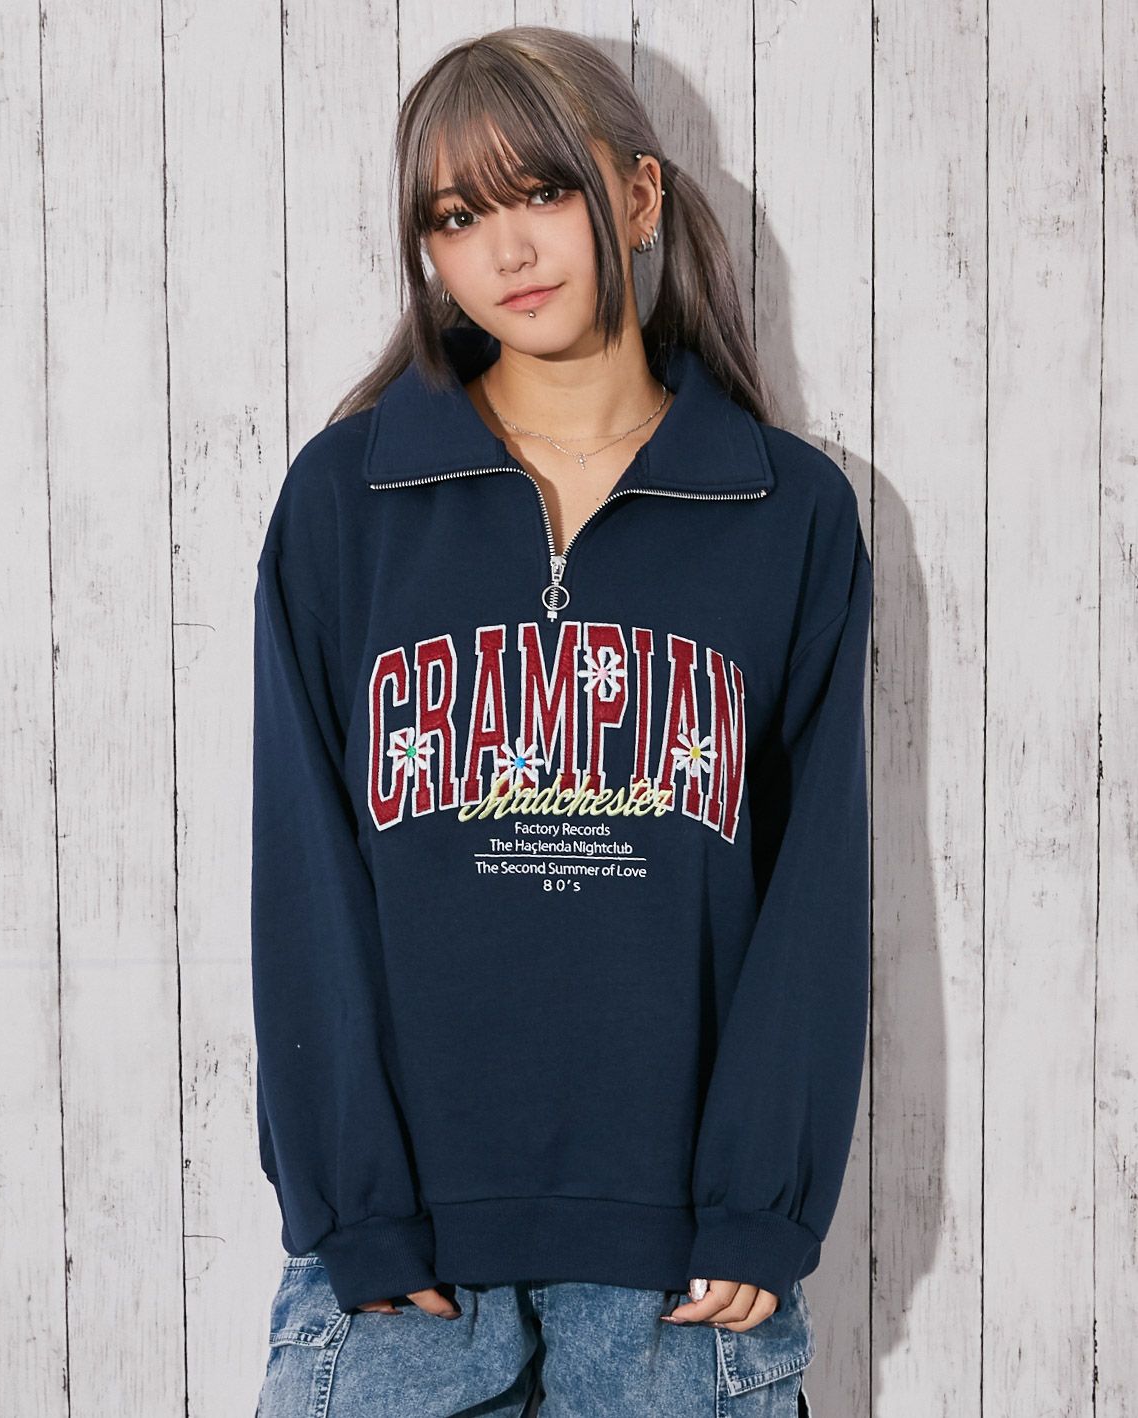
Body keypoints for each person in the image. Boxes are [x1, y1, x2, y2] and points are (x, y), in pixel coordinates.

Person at [251, 23, 869, 1418]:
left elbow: (816, 885)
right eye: (455, 216)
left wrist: (759, 1204)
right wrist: (354, 1209)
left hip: (681, 1287)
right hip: (402, 1285)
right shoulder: (350, 501)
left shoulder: (784, 512)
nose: (507, 249)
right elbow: (302, 874)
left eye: (541, 191)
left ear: (637, 197)